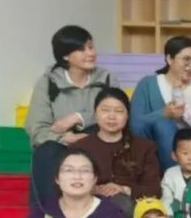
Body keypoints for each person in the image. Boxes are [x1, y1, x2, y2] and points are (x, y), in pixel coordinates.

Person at [25, 25, 120, 207]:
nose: (90, 53)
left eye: (91, 47)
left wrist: (78, 117)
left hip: (99, 140)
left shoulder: (107, 79)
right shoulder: (48, 83)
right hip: (62, 143)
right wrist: (65, 138)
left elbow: (118, 113)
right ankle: (47, 215)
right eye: (81, 49)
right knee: (45, 151)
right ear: (65, 56)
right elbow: (37, 129)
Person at [77, 88, 161, 218]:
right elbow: (64, 185)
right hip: (88, 208)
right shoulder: (79, 148)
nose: (111, 116)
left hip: (130, 210)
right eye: (105, 110)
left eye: (119, 111)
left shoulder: (145, 147)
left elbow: (154, 190)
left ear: (127, 116)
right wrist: (94, 189)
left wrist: (124, 189)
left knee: (122, 204)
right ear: (95, 114)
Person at [128, 36, 191, 172]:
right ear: (169, 59)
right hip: (151, 152)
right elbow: (135, 124)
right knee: (163, 125)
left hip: (190, 153)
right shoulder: (148, 84)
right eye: (186, 59)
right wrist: (163, 114)